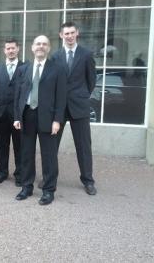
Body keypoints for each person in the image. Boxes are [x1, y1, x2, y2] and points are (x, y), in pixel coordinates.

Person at [13, 35, 66, 205]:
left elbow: (61, 97)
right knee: (26, 154)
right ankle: (26, 187)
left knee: (49, 156)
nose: (40, 47)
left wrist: (57, 120)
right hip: (27, 115)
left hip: (48, 118)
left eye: (44, 44)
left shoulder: (57, 69)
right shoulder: (24, 69)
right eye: (37, 44)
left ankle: (48, 190)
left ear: (49, 48)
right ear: (32, 47)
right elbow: (18, 96)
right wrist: (17, 117)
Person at [51, 21, 97, 195]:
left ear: (77, 33)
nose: (69, 36)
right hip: (59, 108)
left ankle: (88, 180)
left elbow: (91, 80)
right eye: (66, 33)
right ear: (61, 35)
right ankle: (50, 177)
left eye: (72, 32)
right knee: (52, 145)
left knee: (83, 146)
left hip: (79, 106)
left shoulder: (86, 54)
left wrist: (82, 95)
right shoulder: (56, 56)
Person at [0, 38, 23, 186]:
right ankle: (2, 172)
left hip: (19, 115)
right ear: (4, 51)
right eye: (8, 48)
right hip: (0, 115)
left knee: (19, 146)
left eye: (13, 48)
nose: (10, 51)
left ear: (18, 49)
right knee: (1, 145)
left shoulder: (25, 67)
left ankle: (20, 174)